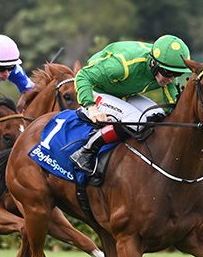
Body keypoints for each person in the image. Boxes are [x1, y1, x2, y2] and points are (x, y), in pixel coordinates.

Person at [70, 34, 191, 174]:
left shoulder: (166, 68)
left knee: (158, 115)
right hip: (96, 90)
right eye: (168, 73)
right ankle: (86, 151)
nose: (171, 79)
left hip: (123, 92)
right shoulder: (121, 67)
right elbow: (82, 76)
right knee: (137, 120)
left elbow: (173, 105)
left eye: (177, 74)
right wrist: (91, 107)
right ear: (154, 63)